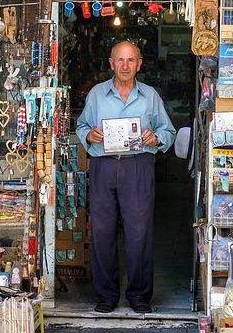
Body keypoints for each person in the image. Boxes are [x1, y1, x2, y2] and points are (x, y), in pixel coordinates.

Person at [75, 41, 176, 314]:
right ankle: (106, 295)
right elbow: (81, 125)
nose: (125, 65)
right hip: (103, 166)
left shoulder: (150, 96)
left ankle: (140, 296)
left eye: (131, 60)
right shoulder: (96, 95)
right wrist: (88, 134)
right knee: (103, 231)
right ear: (111, 63)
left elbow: (169, 132)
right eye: (120, 60)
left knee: (139, 232)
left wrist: (156, 137)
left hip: (138, 166)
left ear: (139, 64)